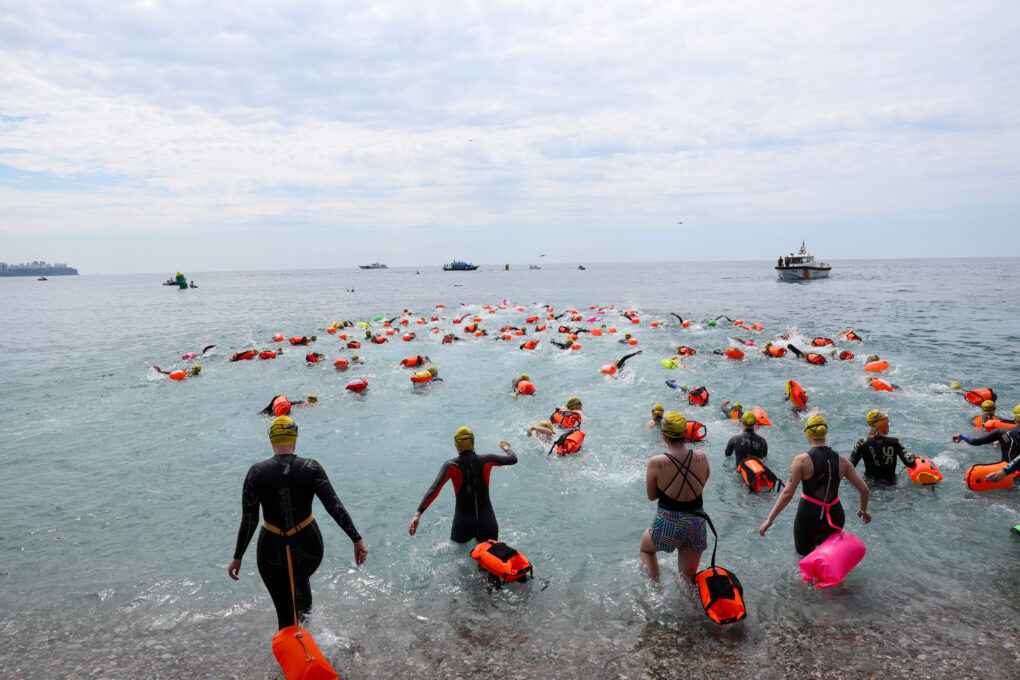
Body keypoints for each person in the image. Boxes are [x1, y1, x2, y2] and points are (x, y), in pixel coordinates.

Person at [227, 416, 368, 629]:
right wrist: (356, 540)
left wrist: (237, 557)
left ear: (271, 440)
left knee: (285, 613)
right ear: (296, 437)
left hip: (272, 549)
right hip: (308, 545)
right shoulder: (312, 467)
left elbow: (250, 520)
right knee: (301, 581)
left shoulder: (256, 472)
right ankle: (311, 636)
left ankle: (293, 648)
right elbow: (334, 506)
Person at [758, 415, 871, 556]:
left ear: (807, 434)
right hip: (835, 516)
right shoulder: (843, 460)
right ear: (825, 433)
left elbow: (788, 493)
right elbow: (864, 490)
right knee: (830, 558)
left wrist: (770, 519)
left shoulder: (801, 460)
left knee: (804, 559)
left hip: (808, 517)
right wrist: (863, 510)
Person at [408, 428, 517, 542]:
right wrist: (506, 448)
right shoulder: (487, 459)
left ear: (456, 444)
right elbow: (512, 459)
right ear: (473, 442)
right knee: (492, 555)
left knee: (456, 557)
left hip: (463, 524)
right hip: (487, 522)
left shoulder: (451, 465)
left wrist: (417, 515)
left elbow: (434, 489)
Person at [639, 412, 710, 581]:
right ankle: (692, 605)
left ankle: (655, 592)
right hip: (697, 522)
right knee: (687, 580)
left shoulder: (656, 462)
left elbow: (651, 496)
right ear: (686, 434)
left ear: (664, 436)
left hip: (669, 523)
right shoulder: (701, 456)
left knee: (646, 549)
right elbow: (702, 485)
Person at [850, 410, 916, 483]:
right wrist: (909, 456)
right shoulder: (895, 442)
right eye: (887, 423)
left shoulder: (861, 443)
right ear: (881, 425)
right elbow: (910, 464)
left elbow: (849, 467)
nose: (888, 426)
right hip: (891, 487)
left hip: (869, 486)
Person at [953, 404, 1020, 468]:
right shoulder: (1000, 424)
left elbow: (974, 442)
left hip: (1007, 470)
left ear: (1014, 418)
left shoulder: (1002, 431)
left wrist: (961, 436)